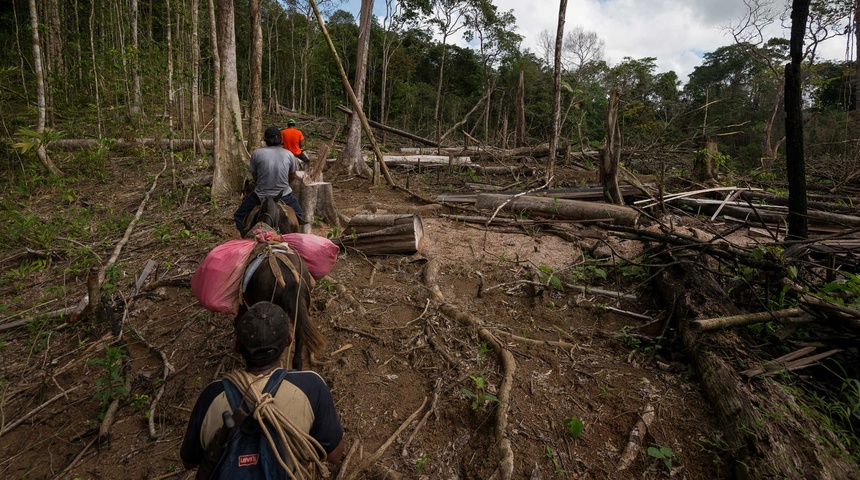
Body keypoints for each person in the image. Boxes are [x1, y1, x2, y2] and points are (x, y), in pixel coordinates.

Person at [180, 301, 345, 476]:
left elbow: (189, 462)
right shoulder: (311, 386)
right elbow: (334, 455)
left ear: (236, 346)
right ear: (289, 340)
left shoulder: (211, 395)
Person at [233, 126, 303, 232]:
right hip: (284, 195)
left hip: (260, 195)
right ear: (280, 140)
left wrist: (260, 182)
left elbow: (255, 175)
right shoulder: (289, 154)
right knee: (299, 215)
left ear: (265, 140)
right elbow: (292, 175)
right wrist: (285, 184)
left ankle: (245, 237)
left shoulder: (257, 153)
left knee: (239, 215)